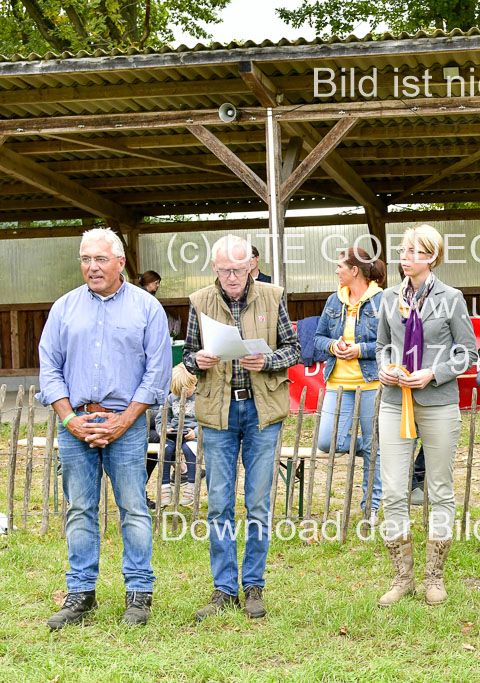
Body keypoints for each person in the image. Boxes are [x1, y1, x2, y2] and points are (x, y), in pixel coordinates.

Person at [37, 227, 171, 629]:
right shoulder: (63, 308)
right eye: (85, 259)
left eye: (99, 259)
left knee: (133, 509)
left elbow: (157, 372)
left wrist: (124, 420)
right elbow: (50, 368)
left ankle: (139, 594)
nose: (91, 267)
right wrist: (70, 419)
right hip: (75, 422)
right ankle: (80, 594)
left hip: (126, 426)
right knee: (79, 509)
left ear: (120, 262)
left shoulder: (147, 309)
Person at [183, 234, 300, 621]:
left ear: (251, 264)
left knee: (258, 502)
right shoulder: (200, 301)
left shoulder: (273, 295)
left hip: (261, 411)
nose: (232, 276)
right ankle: (223, 588)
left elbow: (294, 350)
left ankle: (254, 586)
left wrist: (266, 361)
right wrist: (197, 359)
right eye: (224, 270)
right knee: (218, 503)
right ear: (214, 268)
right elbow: (187, 356)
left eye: (238, 268)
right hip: (218, 412)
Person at [375, 224, 477, 607]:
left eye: (415, 252)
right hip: (393, 400)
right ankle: (402, 578)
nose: (406, 257)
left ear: (432, 257)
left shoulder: (452, 298)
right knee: (395, 490)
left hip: (437, 401)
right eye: (403, 250)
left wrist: (433, 372)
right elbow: (383, 346)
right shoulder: (387, 298)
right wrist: (386, 367)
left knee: (439, 489)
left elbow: (467, 353)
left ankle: (434, 576)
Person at [314, 247, 386, 524]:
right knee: (328, 441)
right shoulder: (334, 300)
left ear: (355, 270)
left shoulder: (383, 300)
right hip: (337, 384)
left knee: (373, 446)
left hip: (371, 384)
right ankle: (372, 448)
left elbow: (387, 344)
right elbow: (319, 337)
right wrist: (333, 345)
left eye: (340, 266)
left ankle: (372, 507)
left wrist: (360, 350)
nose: (336, 271)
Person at [152, 364, 200, 508]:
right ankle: (164, 486)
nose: (182, 395)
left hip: (191, 435)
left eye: (186, 391)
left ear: (195, 382)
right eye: (179, 392)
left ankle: (192, 486)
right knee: (164, 449)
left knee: (190, 449)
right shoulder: (171, 398)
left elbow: (206, 420)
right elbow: (160, 419)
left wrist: (196, 432)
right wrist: (164, 429)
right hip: (173, 434)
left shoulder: (201, 398)